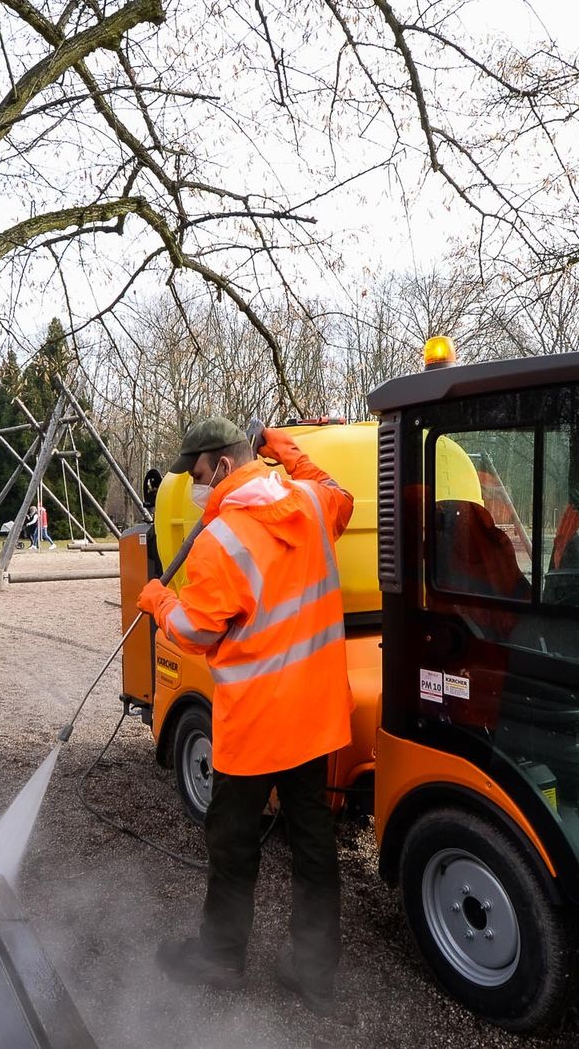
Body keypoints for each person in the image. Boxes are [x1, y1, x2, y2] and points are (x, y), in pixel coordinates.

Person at [135, 416, 354, 1019]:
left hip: (256, 725)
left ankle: (221, 958)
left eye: (198, 473)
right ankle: (314, 974)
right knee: (313, 842)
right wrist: (288, 448)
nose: (194, 484)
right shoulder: (310, 504)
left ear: (225, 466)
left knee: (232, 841)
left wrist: (159, 600)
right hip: (313, 716)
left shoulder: (221, 540)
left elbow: (196, 632)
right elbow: (340, 495)